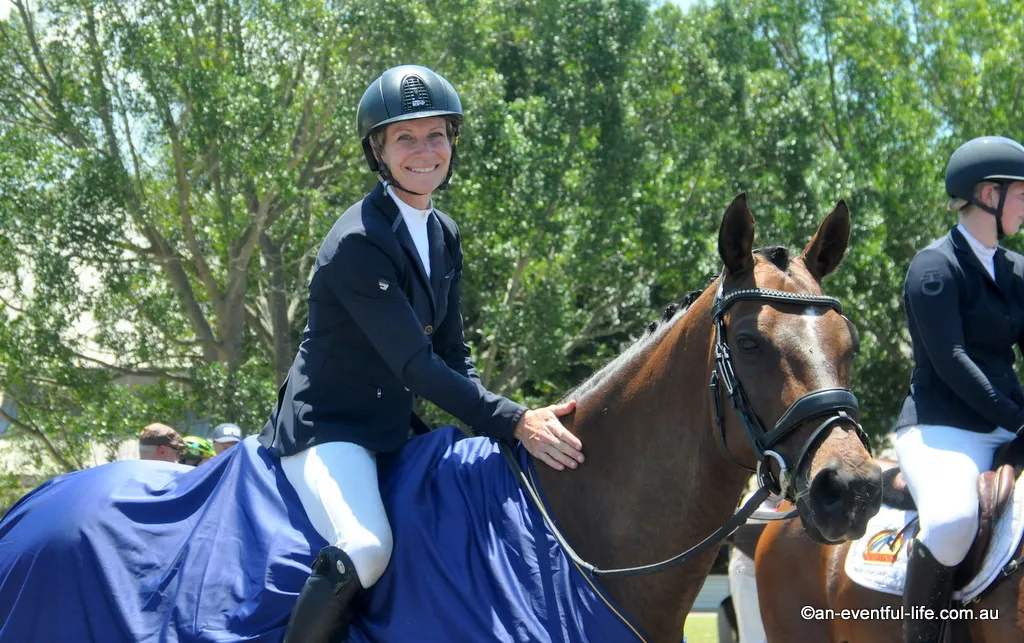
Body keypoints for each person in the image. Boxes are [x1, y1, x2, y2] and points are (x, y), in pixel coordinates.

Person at [257, 64, 585, 643]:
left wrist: (496, 428)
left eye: (437, 135)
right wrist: (514, 421)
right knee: (367, 546)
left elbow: (453, 353)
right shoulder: (359, 239)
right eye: (405, 137)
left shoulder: (443, 232)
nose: (424, 150)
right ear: (378, 151)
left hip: (390, 425)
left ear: (452, 144)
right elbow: (414, 364)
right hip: (329, 428)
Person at [895, 135, 1024, 643]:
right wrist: (1015, 417)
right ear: (988, 194)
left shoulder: (1016, 271)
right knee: (951, 523)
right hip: (943, 432)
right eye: (1022, 193)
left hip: (1007, 425)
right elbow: (951, 362)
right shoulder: (934, 268)